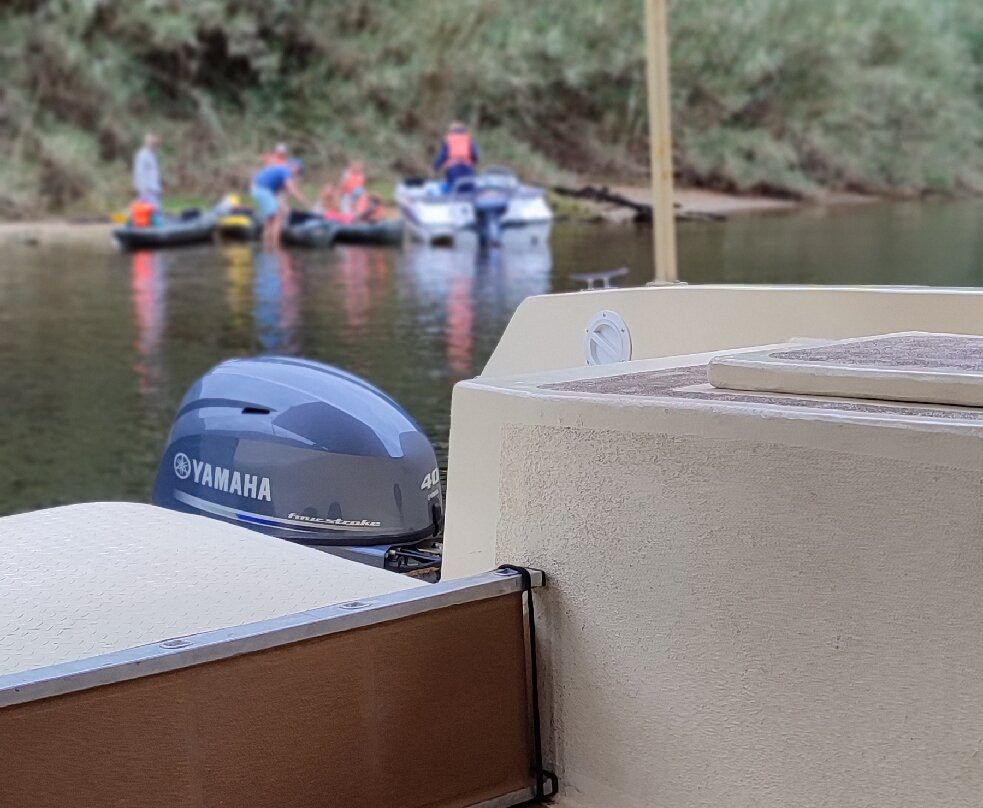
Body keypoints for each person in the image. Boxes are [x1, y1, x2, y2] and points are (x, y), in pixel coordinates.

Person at [251, 158, 308, 249]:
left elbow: (278, 195)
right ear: (294, 166)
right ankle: (275, 246)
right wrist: (305, 201)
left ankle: (267, 245)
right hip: (262, 190)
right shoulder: (286, 170)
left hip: (259, 189)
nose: (298, 174)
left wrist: (285, 207)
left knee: (270, 219)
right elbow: (292, 190)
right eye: (299, 171)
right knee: (278, 217)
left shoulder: (281, 172)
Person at [433, 121, 478, 192]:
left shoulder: (448, 139)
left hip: (454, 169)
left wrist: (435, 168)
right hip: (467, 168)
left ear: (451, 130)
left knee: (454, 190)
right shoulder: (468, 139)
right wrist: (472, 164)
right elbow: (475, 155)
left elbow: (442, 157)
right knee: (469, 191)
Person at [132, 133, 162, 207]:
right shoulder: (143, 155)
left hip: (155, 190)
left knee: (157, 213)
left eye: (156, 143)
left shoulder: (154, 155)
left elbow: (154, 173)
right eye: (154, 143)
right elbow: (140, 172)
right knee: (148, 214)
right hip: (147, 191)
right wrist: (143, 189)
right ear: (149, 143)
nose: (155, 145)